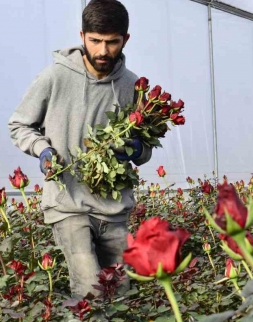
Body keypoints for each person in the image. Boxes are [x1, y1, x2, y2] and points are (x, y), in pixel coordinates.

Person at [8, 0, 152, 298]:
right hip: (67, 202)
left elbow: (146, 147)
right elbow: (19, 125)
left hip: (113, 208)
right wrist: (42, 149)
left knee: (122, 293)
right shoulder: (55, 77)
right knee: (91, 290)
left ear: (125, 40)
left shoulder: (132, 86)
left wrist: (137, 149)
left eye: (112, 42)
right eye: (95, 41)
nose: (102, 51)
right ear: (82, 35)